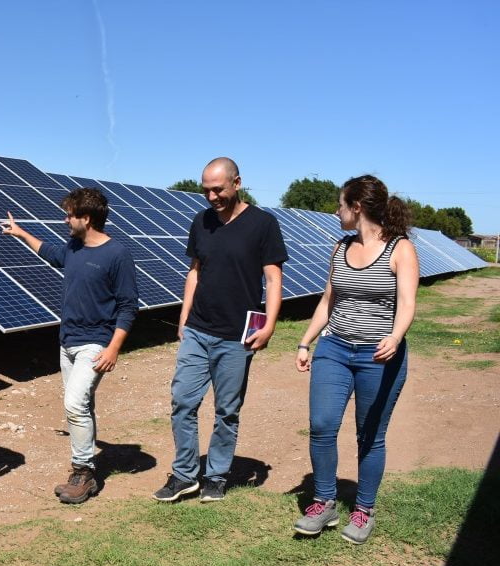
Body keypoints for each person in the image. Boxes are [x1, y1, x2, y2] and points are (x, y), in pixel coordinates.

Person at [153, 157, 287, 503]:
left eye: (218, 189)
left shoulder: (263, 224)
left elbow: (273, 279)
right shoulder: (201, 222)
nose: (211, 197)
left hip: (236, 335)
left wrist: (269, 324)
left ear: (237, 183)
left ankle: (216, 475)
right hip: (198, 328)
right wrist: (183, 318)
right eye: (206, 190)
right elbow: (194, 271)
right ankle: (184, 475)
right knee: (183, 402)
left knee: (227, 410)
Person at [292, 175, 417, 544]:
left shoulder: (400, 249)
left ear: (356, 207)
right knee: (322, 425)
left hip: (378, 355)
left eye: (340, 204)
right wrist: (305, 341)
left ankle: (364, 510)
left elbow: (408, 303)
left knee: (370, 435)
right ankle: (324, 501)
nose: (336, 211)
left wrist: (394, 336)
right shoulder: (340, 246)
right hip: (335, 348)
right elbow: (328, 302)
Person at [2, 187, 138, 504]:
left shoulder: (116, 254)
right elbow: (53, 254)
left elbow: (128, 306)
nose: (65, 220)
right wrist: (21, 233)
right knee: (82, 405)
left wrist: (114, 347)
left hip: (95, 343)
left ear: (86, 218)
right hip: (67, 342)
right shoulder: (74, 247)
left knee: (75, 404)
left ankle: (84, 473)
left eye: (69, 215)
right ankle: (84, 469)